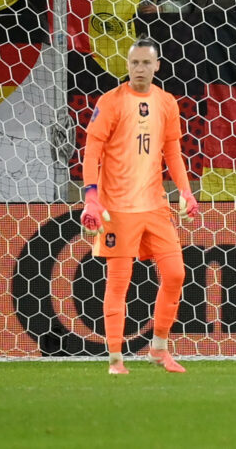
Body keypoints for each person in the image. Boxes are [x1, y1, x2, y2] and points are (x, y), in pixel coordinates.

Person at [80, 40, 197, 377]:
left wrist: (186, 192)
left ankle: (159, 349)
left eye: (146, 63)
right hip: (117, 208)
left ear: (157, 66)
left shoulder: (166, 102)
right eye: (134, 63)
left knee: (176, 274)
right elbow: (92, 150)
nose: (140, 69)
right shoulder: (111, 102)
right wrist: (91, 195)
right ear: (127, 65)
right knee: (119, 283)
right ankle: (116, 359)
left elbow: (173, 152)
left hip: (155, 205)